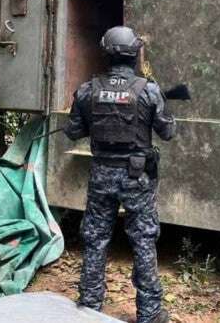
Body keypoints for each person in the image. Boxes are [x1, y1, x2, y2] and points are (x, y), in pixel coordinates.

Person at [64, 26, 176, 323]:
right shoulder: (149, 90)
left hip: (101, 176)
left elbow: (73, 131)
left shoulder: (88, 90)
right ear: (135, 53)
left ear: (107, 52)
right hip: (137, 177)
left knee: (95, 237)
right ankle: (150, 313)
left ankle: (89, 306)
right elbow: (168, 132)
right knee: (143, 240)